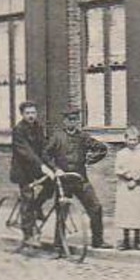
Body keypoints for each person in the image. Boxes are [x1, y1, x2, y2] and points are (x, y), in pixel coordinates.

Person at [47, 106, 110, 250]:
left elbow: (102, 148)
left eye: (75, 119)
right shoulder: (57, 137)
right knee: (62, 212)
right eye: (70, 119)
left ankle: (98, 240)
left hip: (80, 179)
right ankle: (59, 245)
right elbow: (45, 155)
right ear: (64, 121)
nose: (73, 122)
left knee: (96, 207)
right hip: (62, 181)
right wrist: (55, 169)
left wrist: (90, 160)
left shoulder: (83, 137)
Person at [9, 99, 55, 248]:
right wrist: (42, 166)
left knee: (51, 184)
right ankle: (28, 235)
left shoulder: (38, 128)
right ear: (22, 114)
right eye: (27, 113)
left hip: (35, 167)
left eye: (33, 112)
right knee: (27, 197)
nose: (31, 116)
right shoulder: (18, 130)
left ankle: (37, 207)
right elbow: (26, 153)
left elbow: (43, 149)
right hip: (22, 170)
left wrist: (52, 167)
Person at [114, 125, 140, 250]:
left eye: (135, 140)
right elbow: (118, 169)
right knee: (126, 213)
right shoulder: (121, 153)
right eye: (130, 140)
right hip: (125, 186)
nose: (132, 142)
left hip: (138, 186)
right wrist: (128, 179)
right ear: (125, 140)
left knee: (138, 213)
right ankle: (126, 240)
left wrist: (136, 180)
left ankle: (138, 240)